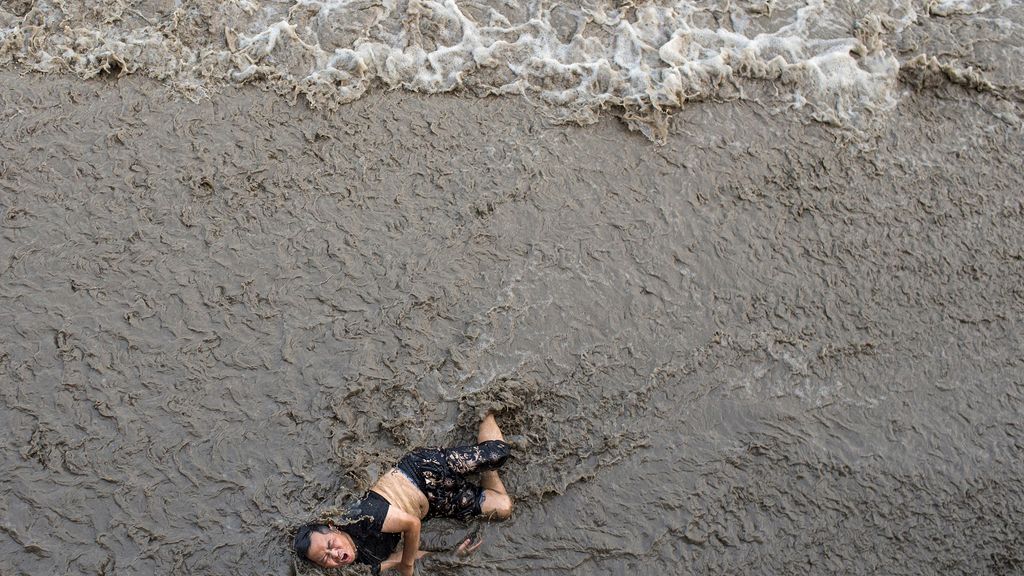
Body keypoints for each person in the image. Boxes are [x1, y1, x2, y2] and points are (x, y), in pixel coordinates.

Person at [293, 413, 513, 574]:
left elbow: (412, 526)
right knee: (503, 508)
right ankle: (487, 472)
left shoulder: (361, 515)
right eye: (325, 559)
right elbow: (402, 557)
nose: (334, 555)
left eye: (330, 545)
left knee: (498, 453)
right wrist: (449, 557)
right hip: (434, 505)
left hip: (423, 472)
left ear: (334, 528)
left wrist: (407, 570)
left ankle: (484, 411)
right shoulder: (365, 567)